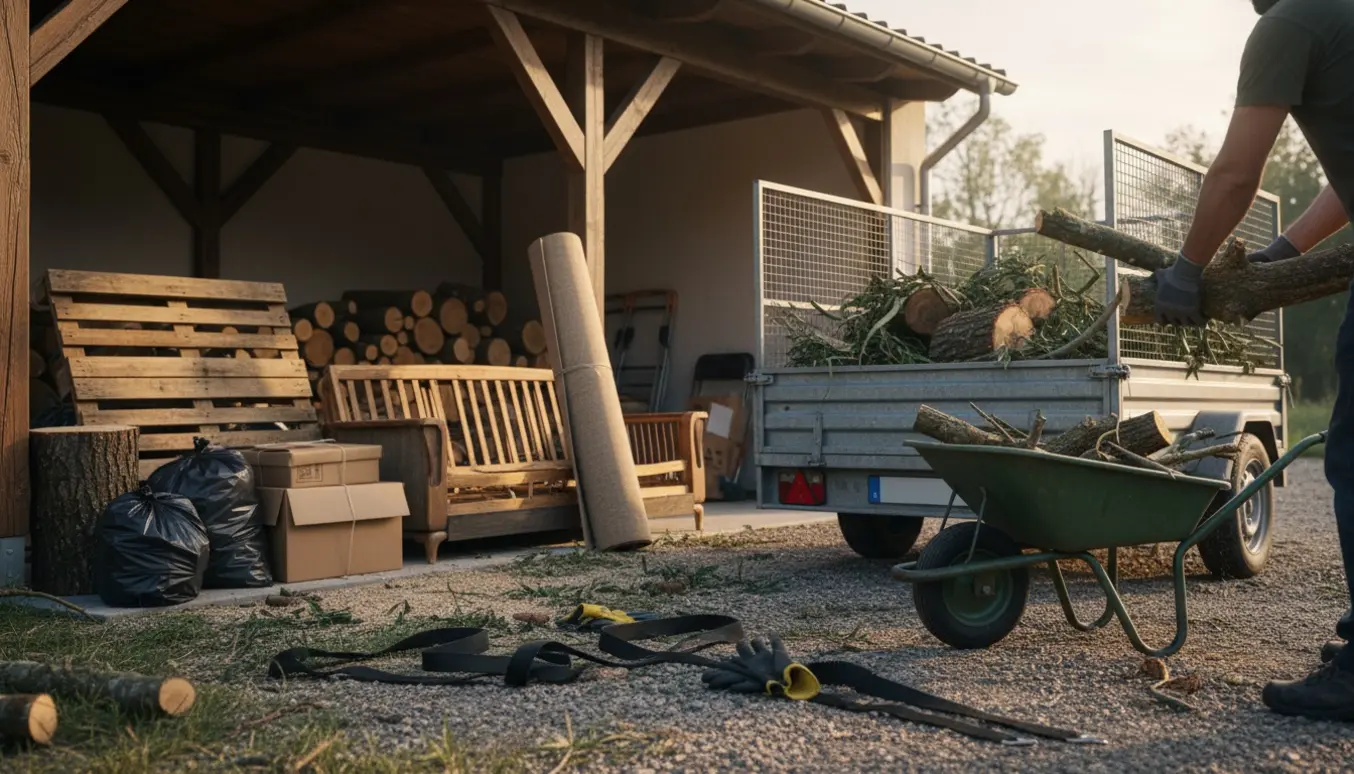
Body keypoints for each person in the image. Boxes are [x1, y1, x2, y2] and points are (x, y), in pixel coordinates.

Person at [1154, 0, 1354, 721]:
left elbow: (1238, 171)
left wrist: (1186, 267)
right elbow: (1344, 182)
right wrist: (1285, 250)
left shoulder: (1289, 24)